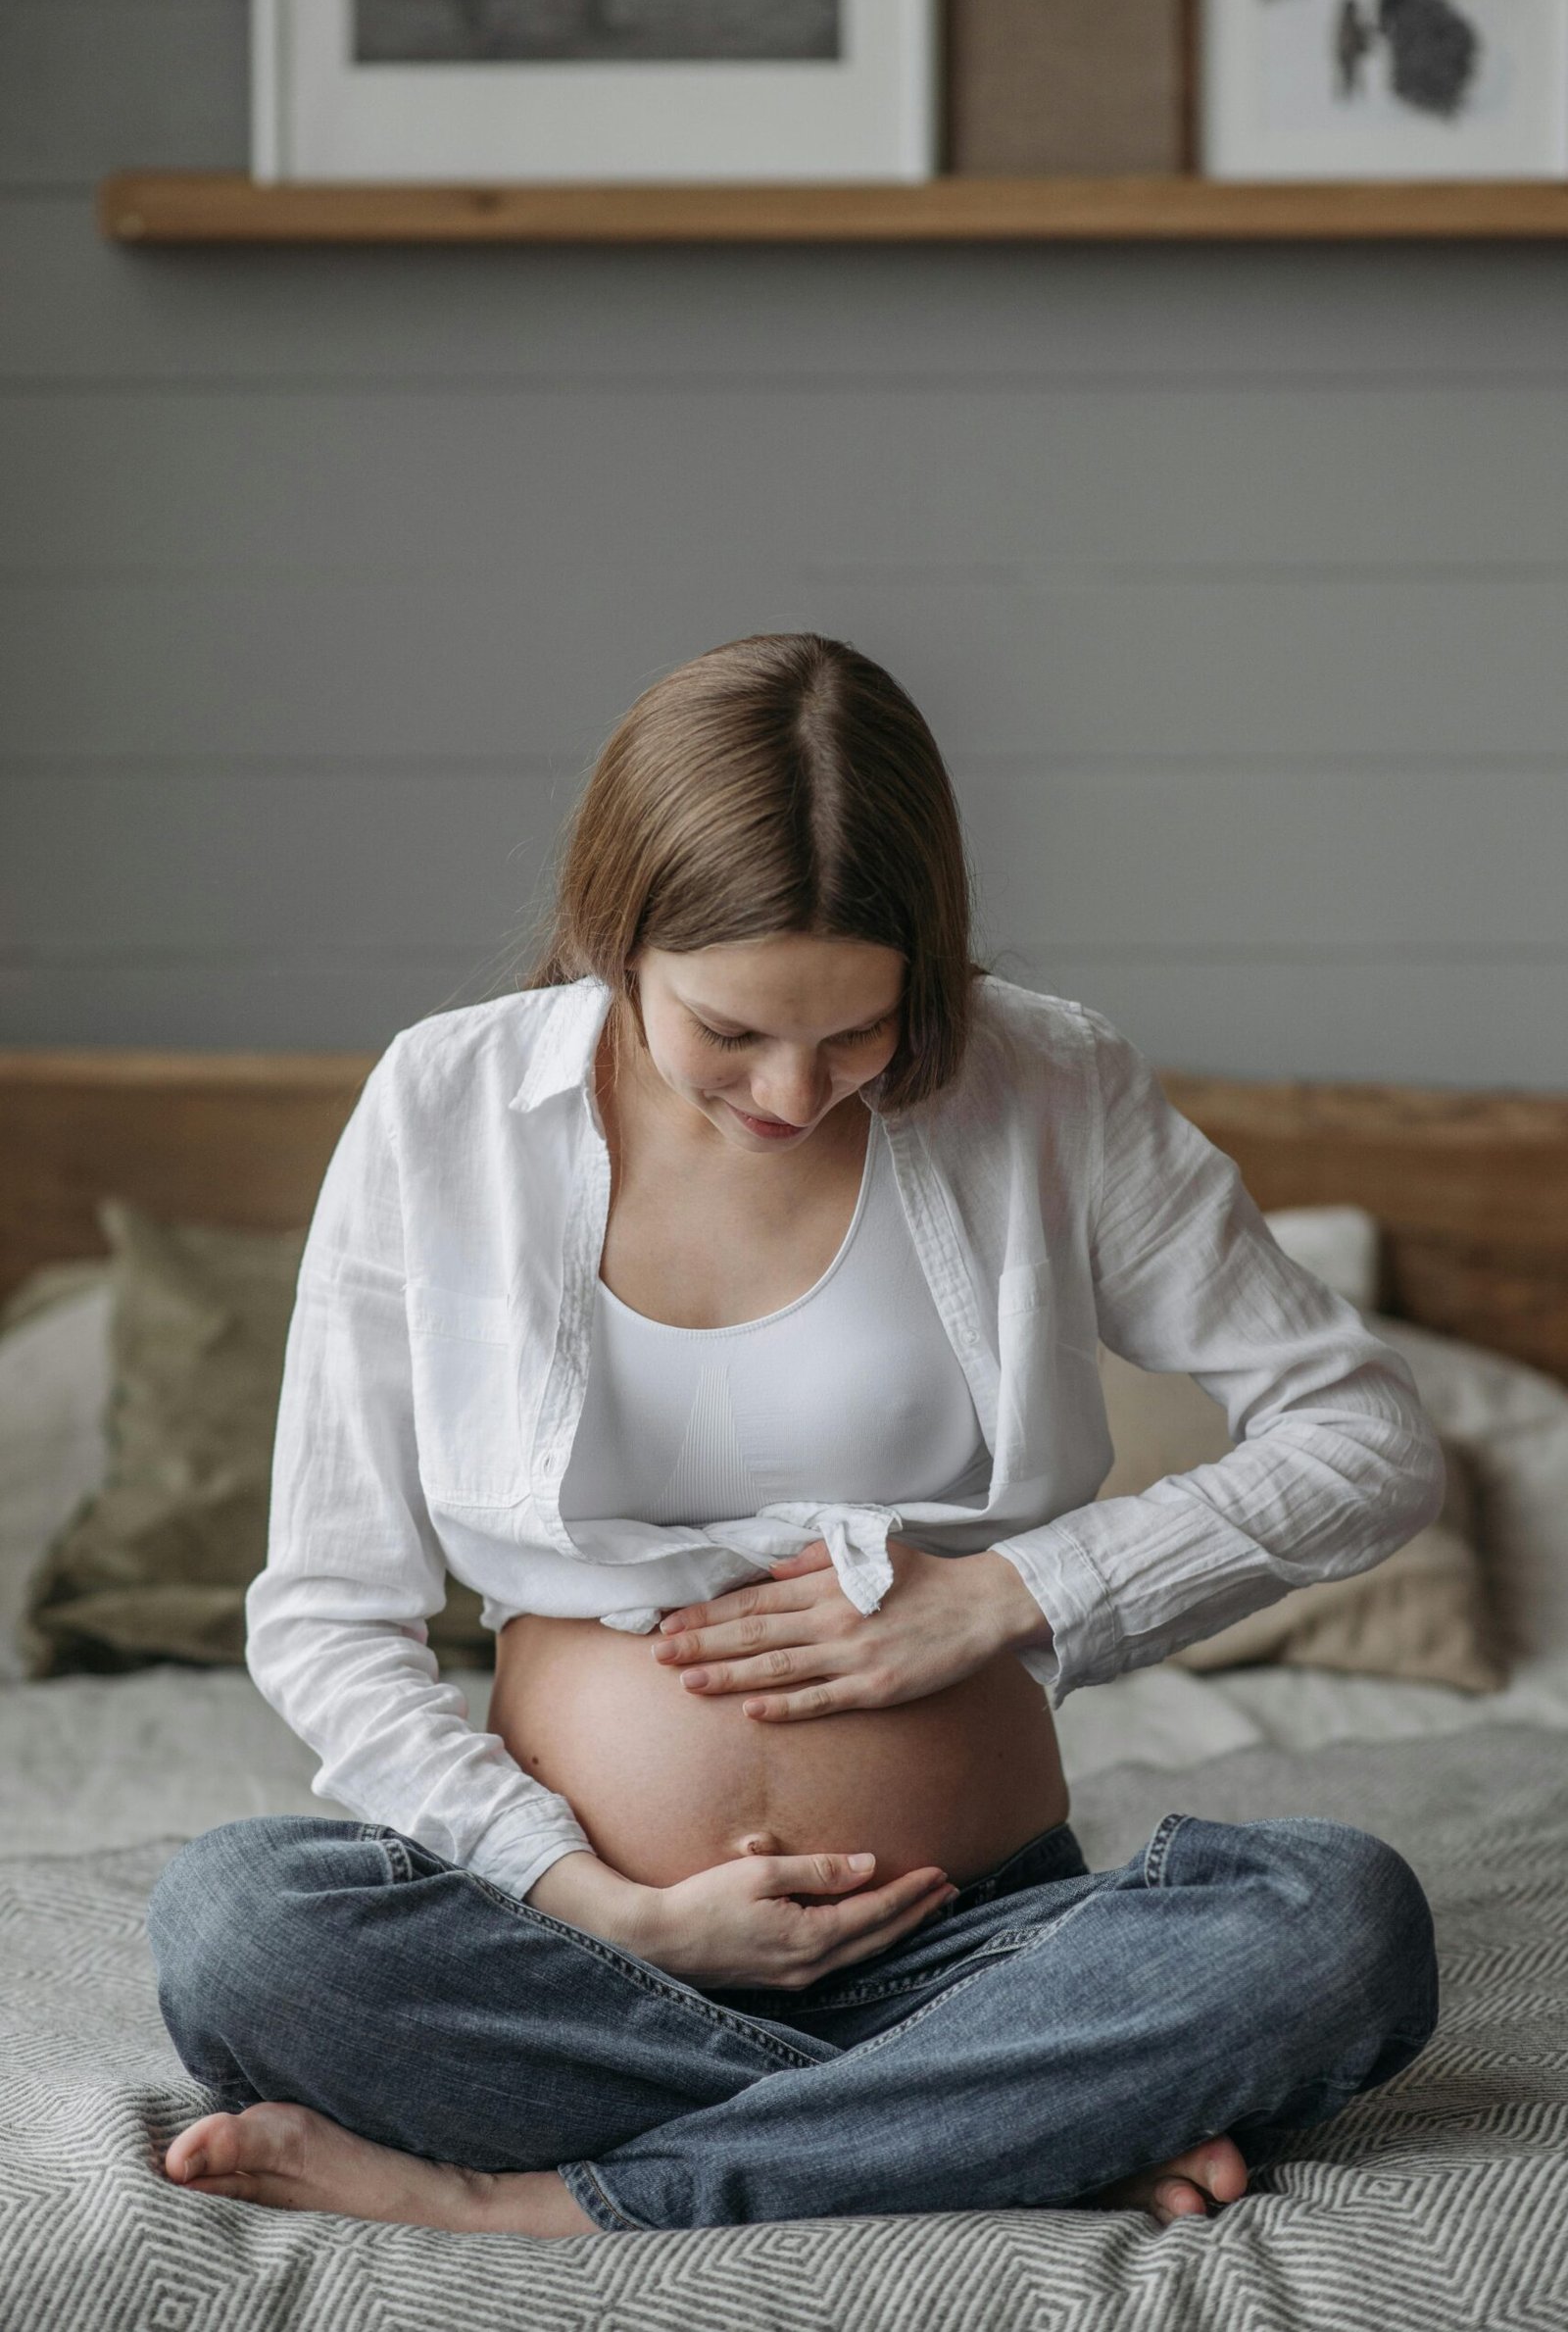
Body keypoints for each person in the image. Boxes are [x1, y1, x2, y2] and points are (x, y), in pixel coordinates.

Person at [146, 632, 1446, 2239]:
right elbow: (328, 1610)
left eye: (858, 1033)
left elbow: (1369, 1438)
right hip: (581, 1949)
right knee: (238, 1923)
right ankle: (1004, 2123)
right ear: (613, 933)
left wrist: (1008, 1594)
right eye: (731, 1031)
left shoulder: (1050, 1082)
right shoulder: (444, 1107)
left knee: (1338, 1924)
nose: (793, 1090)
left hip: (980, 1951)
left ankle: (551, 2194)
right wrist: (605, 1901)